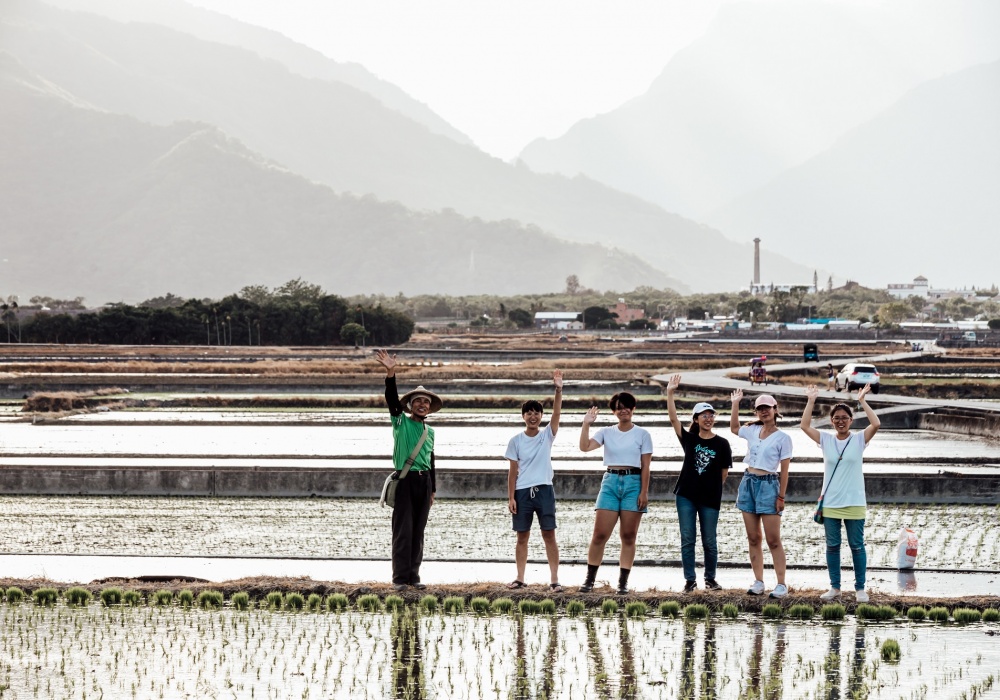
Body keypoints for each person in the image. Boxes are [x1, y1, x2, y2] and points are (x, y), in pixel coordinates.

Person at [800, 383, 881, 603]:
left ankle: (860, 588)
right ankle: (835, 587)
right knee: (833, 546)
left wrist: (862, 401)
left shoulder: (859, 440)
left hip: (855, 501)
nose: (840, 421)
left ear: (851, 420)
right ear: (831, 421)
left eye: (845, 417)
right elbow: (805, 426)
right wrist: (811, 400)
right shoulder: (826, 439)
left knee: (857, 545)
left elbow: (876, 423)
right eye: (836, 418)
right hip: (831, 503)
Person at [376, 349, 441, 591]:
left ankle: (414, 576)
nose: (422, 405)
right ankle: (399, 579)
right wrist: (390, 373)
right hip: (404, 481)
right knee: (403, 531)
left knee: (418, 531)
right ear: (411, 405)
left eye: (426, 402)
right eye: (418, 401)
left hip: (423, 483)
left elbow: (431, 460)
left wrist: (433, 489)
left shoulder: (430, 431)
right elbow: (392, 400)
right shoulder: (400, 422)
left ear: (429, 408)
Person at [579, 392, 652, 595]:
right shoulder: (606, 432)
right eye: (619, 407)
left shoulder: (643, 434)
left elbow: (646, 466)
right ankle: (589, 580)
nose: (623, 410)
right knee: (599, 534)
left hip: (634, 482)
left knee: (628, 536)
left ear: (633, 409)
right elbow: (584, 447)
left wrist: (644, 492)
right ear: (614, 412)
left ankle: (622, 583)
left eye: (627, 406)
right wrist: (586, 424)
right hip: (611, 481)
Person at [666, 375, 732, 592]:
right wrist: (670, 393)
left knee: (710, 541)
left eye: (711, 415)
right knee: (687, 538)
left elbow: (723, 474)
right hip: (686, 495)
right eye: (704, 415)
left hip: (710, 498)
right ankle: (690, 580)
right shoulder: (690, 440)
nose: (708, 419)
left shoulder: (722, 444)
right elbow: (674, 420)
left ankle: (710, 579)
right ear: (695, 419)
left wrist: (709, 488)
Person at [730, 389, 792, 598]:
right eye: (760, 409)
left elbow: (784, 470)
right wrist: (735, 403)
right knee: (753, 538)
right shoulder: (752, 430)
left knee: (773, 539)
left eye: (767, 408)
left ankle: (781, 584)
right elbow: (734, 428)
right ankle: (758, 581)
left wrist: (781, 496)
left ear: (775, 409)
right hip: (748, 482)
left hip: (768, 484)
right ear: (756, 411)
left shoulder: (783, 438)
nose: (764, 412)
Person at [505, 370, 564, 591]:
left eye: (536, 413)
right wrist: (511, 497)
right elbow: (512, 472)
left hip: (544, 490)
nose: (533, 416)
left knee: (549, 534)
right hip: (522, 492)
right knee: (522, 536)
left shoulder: (546, 435)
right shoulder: (515, 441)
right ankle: (520, 578)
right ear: (523, 417)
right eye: (528, 413)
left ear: (541, 416)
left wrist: (558, 390)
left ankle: (555, 580)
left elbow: (557, 414)